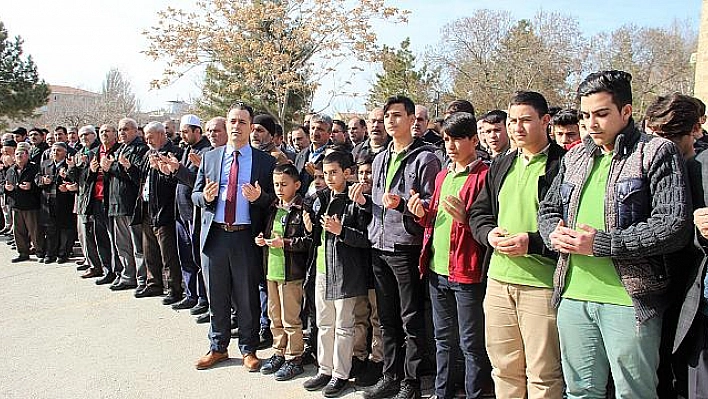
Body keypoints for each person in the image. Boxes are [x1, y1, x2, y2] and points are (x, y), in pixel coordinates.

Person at [538, 70, 691, 399]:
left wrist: (601, 245)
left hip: (629, 300)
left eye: (601, 114)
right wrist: (553, 233)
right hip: (573, 294)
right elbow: (548, 210)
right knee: (579, 392)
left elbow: (673, 225)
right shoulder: (575, 156)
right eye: (585, 115)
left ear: (626, 112)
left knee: (633, 393)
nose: (591, 124)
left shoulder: (656, 152)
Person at [468, 91, 565, 399]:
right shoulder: (501, 164)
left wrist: (533, 243)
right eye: (512, 121)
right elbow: (479, 212)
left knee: (543, 373)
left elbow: (569, 224)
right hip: (498, 281)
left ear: (545, 121)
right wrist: (488, 234)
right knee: (504, 369)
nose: (516, 128)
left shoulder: (562, 165)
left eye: (525, 120)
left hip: (542, 285)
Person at [351, 95, 441, 399]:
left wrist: (404, 205)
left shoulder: (426, 158)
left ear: (412, 119)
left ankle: (412, 382)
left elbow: (432, 204)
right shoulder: (380, 158)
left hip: (406, 247)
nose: (390, 121)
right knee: (386, 318)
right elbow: (377, 204)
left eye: (397, 115)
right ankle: (391, 374)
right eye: (387, 115)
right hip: (379, 245)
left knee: (411, 318)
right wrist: (365, 202)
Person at [409, 112, 491, 399]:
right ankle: (442, 392)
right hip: (436, 269)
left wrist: (467, 218)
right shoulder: (443, 175)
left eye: (457, 138)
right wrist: (420, 214)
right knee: (443, 340)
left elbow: (486, 224)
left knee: (471, 343)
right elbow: (435, 219)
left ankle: (474, 394)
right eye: (446, 139)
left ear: (474, 139)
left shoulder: (485, 175)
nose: (451, 145)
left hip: (467, 271)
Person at [192, 102, 276, 372]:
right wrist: (205, 197)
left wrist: (259, 197)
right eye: (232, 121)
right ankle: (217, 346)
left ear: (251, 127)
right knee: (216, 295)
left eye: (242, 122)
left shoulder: (265, 162)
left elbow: (275, 200)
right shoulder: (210, 157)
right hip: (216, 235)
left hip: (245, 237)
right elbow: (195, 194)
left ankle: (248, 349)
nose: (236, 126)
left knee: (247, 296)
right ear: (226, 125)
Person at [302, 151, 370, 397]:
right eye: (325, 173)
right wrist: (309, 227)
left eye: (334, 172)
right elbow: (315, 235)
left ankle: (341, 374)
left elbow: (367, 239)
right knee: (324, 322)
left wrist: (342, 231)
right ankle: (324, 369)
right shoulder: (320, 198)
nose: (329, 178)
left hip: (345, 271)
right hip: (321, 268)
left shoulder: (357, 200)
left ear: (347, 173)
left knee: (344, 325)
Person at [256, 163, 311, 381]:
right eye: (276, 184)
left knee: (291, 318)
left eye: (284, 184)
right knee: (274, 316)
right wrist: (263, 239)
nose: (279, 188)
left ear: (296, 185)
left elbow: (308, 241)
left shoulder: (302, 209)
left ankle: (294, 357)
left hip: (291, 273)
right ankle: (279, 351)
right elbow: (269, 233)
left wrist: (285, 243)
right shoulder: (272, 207)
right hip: (272, 269)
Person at [159, 114, 213, 312]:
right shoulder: (187, 150)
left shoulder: (207, 151)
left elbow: (196, 183)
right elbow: (181, 179)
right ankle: (191, 294)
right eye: (180, 131)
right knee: (185, 257)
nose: (182, 135)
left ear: (197, 131)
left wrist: (178, 170)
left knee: (197, 259)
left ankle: (203, 299)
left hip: (194, 213)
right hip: (181, 212)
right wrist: (169, 170)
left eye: (185, 132)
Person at [132, 122, 184, 303]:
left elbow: (176, 182)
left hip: (166, 210)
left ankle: (174, 289)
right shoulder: (148, 154)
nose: (147, 140)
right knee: (149, 250)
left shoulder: (174, 153)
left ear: (162, 134)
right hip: (148, 208)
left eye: (151, 136)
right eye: (145, 136)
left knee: (168, 253)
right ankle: (154, 284)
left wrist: (162, 170)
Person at [69, 125, 119, 284]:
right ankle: (107, 270)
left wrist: (109, 168)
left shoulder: (118, 150)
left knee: (115, 240)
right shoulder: (92, 153)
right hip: (95, 200)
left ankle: (119, 271)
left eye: (108, 131)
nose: (104, 134)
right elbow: (83, 178)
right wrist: (88, 169)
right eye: (102, 132)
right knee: (101, 237)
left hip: (112, 200)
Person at [350, 152, 384, 388]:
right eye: (361, 172)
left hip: (377, 266)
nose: (365, 177)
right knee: (359, 316)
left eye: (369, 172)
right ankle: (358, 356)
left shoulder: (381, 200)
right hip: (357, 268)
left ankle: (378, 360)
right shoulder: (351, 199)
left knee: (377, 317)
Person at [104, 118, 149, 292]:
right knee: (122, 244)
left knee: (137, 245)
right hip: (116, 203)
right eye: (120, 129)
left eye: (126, 129)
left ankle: (142, 278)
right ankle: (127, 275)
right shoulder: (119, 149)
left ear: (136, 131)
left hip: (131, 203)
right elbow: (115, 174)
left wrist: (114, 168)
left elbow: (137, 176)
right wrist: (107, 169)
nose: (122, 132)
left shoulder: (140, 148)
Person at [35, 142, 76, 264]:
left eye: (58, 150)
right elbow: (37, 178)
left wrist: (67, 181)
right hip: (48, 201)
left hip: (65, 201)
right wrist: (43, 180)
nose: (55, 153)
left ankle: (63, 254)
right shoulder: (45, 163)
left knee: (66, 230)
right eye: (53, 150)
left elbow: (76, 179)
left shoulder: (69, 164)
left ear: (65, 152)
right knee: (51, 230)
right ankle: (50, 253)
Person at [5, 142, 41, 263]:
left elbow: (40, 185)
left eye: (22, 154)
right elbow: (4, 184)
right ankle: (23, 253)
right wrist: (6, 188)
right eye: (17, 154)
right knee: (18, 231)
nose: (19, 156)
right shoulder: (10, 170)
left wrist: (31, 186)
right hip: (16, 204)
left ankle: (39, 251)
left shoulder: (34, 168)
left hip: (31, 204)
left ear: (27, 155)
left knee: (34, 231)